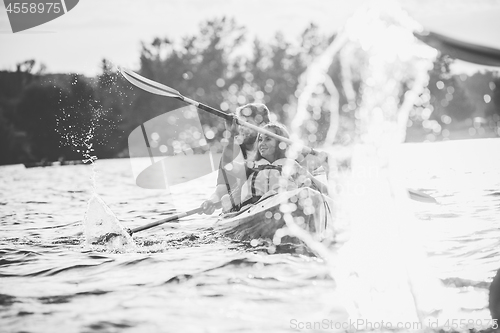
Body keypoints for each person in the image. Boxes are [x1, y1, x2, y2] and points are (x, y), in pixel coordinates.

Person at [220, 122, 330, 213]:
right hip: (253, 210)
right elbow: (226, 165)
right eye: (260, 139)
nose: (262, 143)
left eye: (267, 139)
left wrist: (329, 165)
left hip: (286, 207)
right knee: (226, 200)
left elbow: (322, 189)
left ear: (281, 144)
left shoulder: (291, 166)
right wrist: (230, 134)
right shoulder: (250, 166)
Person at [200, 103, 271, 214]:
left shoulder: (273, 150)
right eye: (240, 123)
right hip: (241, 210)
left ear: (264, 125)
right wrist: (211, 201)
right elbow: (221, 191)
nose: (242, 128)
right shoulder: (231, 152)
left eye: (247, 122)